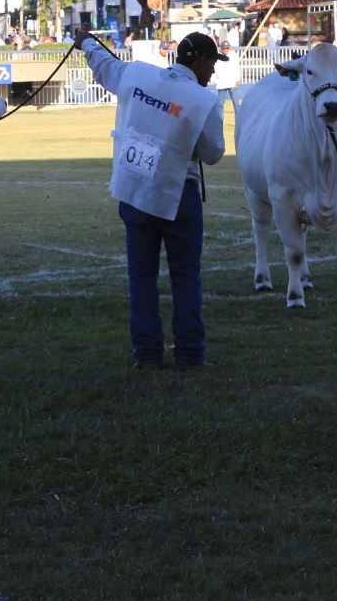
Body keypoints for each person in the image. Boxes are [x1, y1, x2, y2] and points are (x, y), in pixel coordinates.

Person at [74, 28, 226, 371]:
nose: (214, 71)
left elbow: (104, 66)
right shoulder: (204, 100)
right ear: (200, 61)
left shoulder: (138, 74)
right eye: (212, 63)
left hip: (134, 191)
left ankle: (147, 354)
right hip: (177, 195)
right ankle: (189, 354)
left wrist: (84, 41)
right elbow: (213, 153)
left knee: (141, 277)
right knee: (185, 276)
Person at [213, 47, 241, 114]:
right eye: (224, 49)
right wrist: (215, 81)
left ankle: (238, 122)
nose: (225, 50)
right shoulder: (217, 58)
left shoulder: (233, 56)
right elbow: (213, 70)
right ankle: (220, 122)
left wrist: (237, 79)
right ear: (221, 49)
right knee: (220, 105)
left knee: (236, 104)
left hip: (232, 82)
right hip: (221, 83)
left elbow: (237, 68)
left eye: (227, 48)